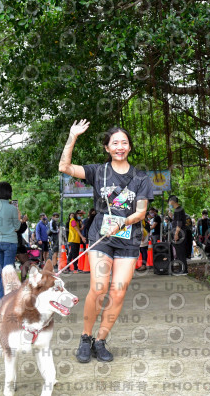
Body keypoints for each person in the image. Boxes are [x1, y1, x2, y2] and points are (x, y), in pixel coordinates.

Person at [58, 119, 153, 363]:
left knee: (118, 292)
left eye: (124, 142)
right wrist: (72, 137)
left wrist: (123, 222)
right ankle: (85, 337)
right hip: (101, 237)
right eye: (115, 143)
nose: (120, 146)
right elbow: (64, 166)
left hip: (128, 237)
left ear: (129, 147)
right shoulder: (98, 172)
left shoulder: (141, 178)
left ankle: (100, 340)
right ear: (107, 148)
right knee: (99, 288)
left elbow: (141, 212)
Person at [0, 182, 21, 302]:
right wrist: (19, 216)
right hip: (10, 242)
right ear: (9, 192)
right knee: (8, 273)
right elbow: (17, 227)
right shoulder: (12, 208)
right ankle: (6, 300)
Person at [168, 195, 190, 275]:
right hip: (180, 233)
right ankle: (182, 269)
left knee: (180, 251)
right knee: (179, 251)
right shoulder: (177, 211)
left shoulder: (178, 210)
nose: (169, 203)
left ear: (173, 201)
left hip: (180, 233)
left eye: (169, 201)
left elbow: (179, 223)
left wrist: (176, 234)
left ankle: (184, 270)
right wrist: (171, 217)